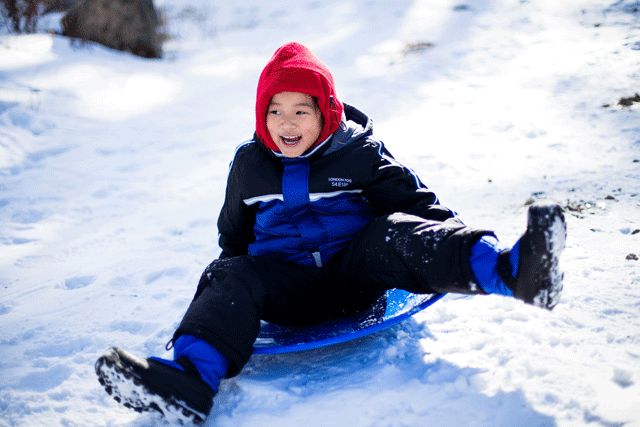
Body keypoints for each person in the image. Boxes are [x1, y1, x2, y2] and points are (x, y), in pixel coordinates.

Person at [95, 42, 566, 424]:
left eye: (301, 110)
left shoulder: (359, 154)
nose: (286, 123)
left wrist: (448, 246)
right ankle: (190, 381)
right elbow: (233, 237)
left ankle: (512, 271)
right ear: (261, 115)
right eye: (274, 111)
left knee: (392, 233)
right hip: (287, 289)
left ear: (327, 111)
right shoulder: (249, 166)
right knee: (231, 272)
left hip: (355, 276)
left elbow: (418, 207)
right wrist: (227, 295)